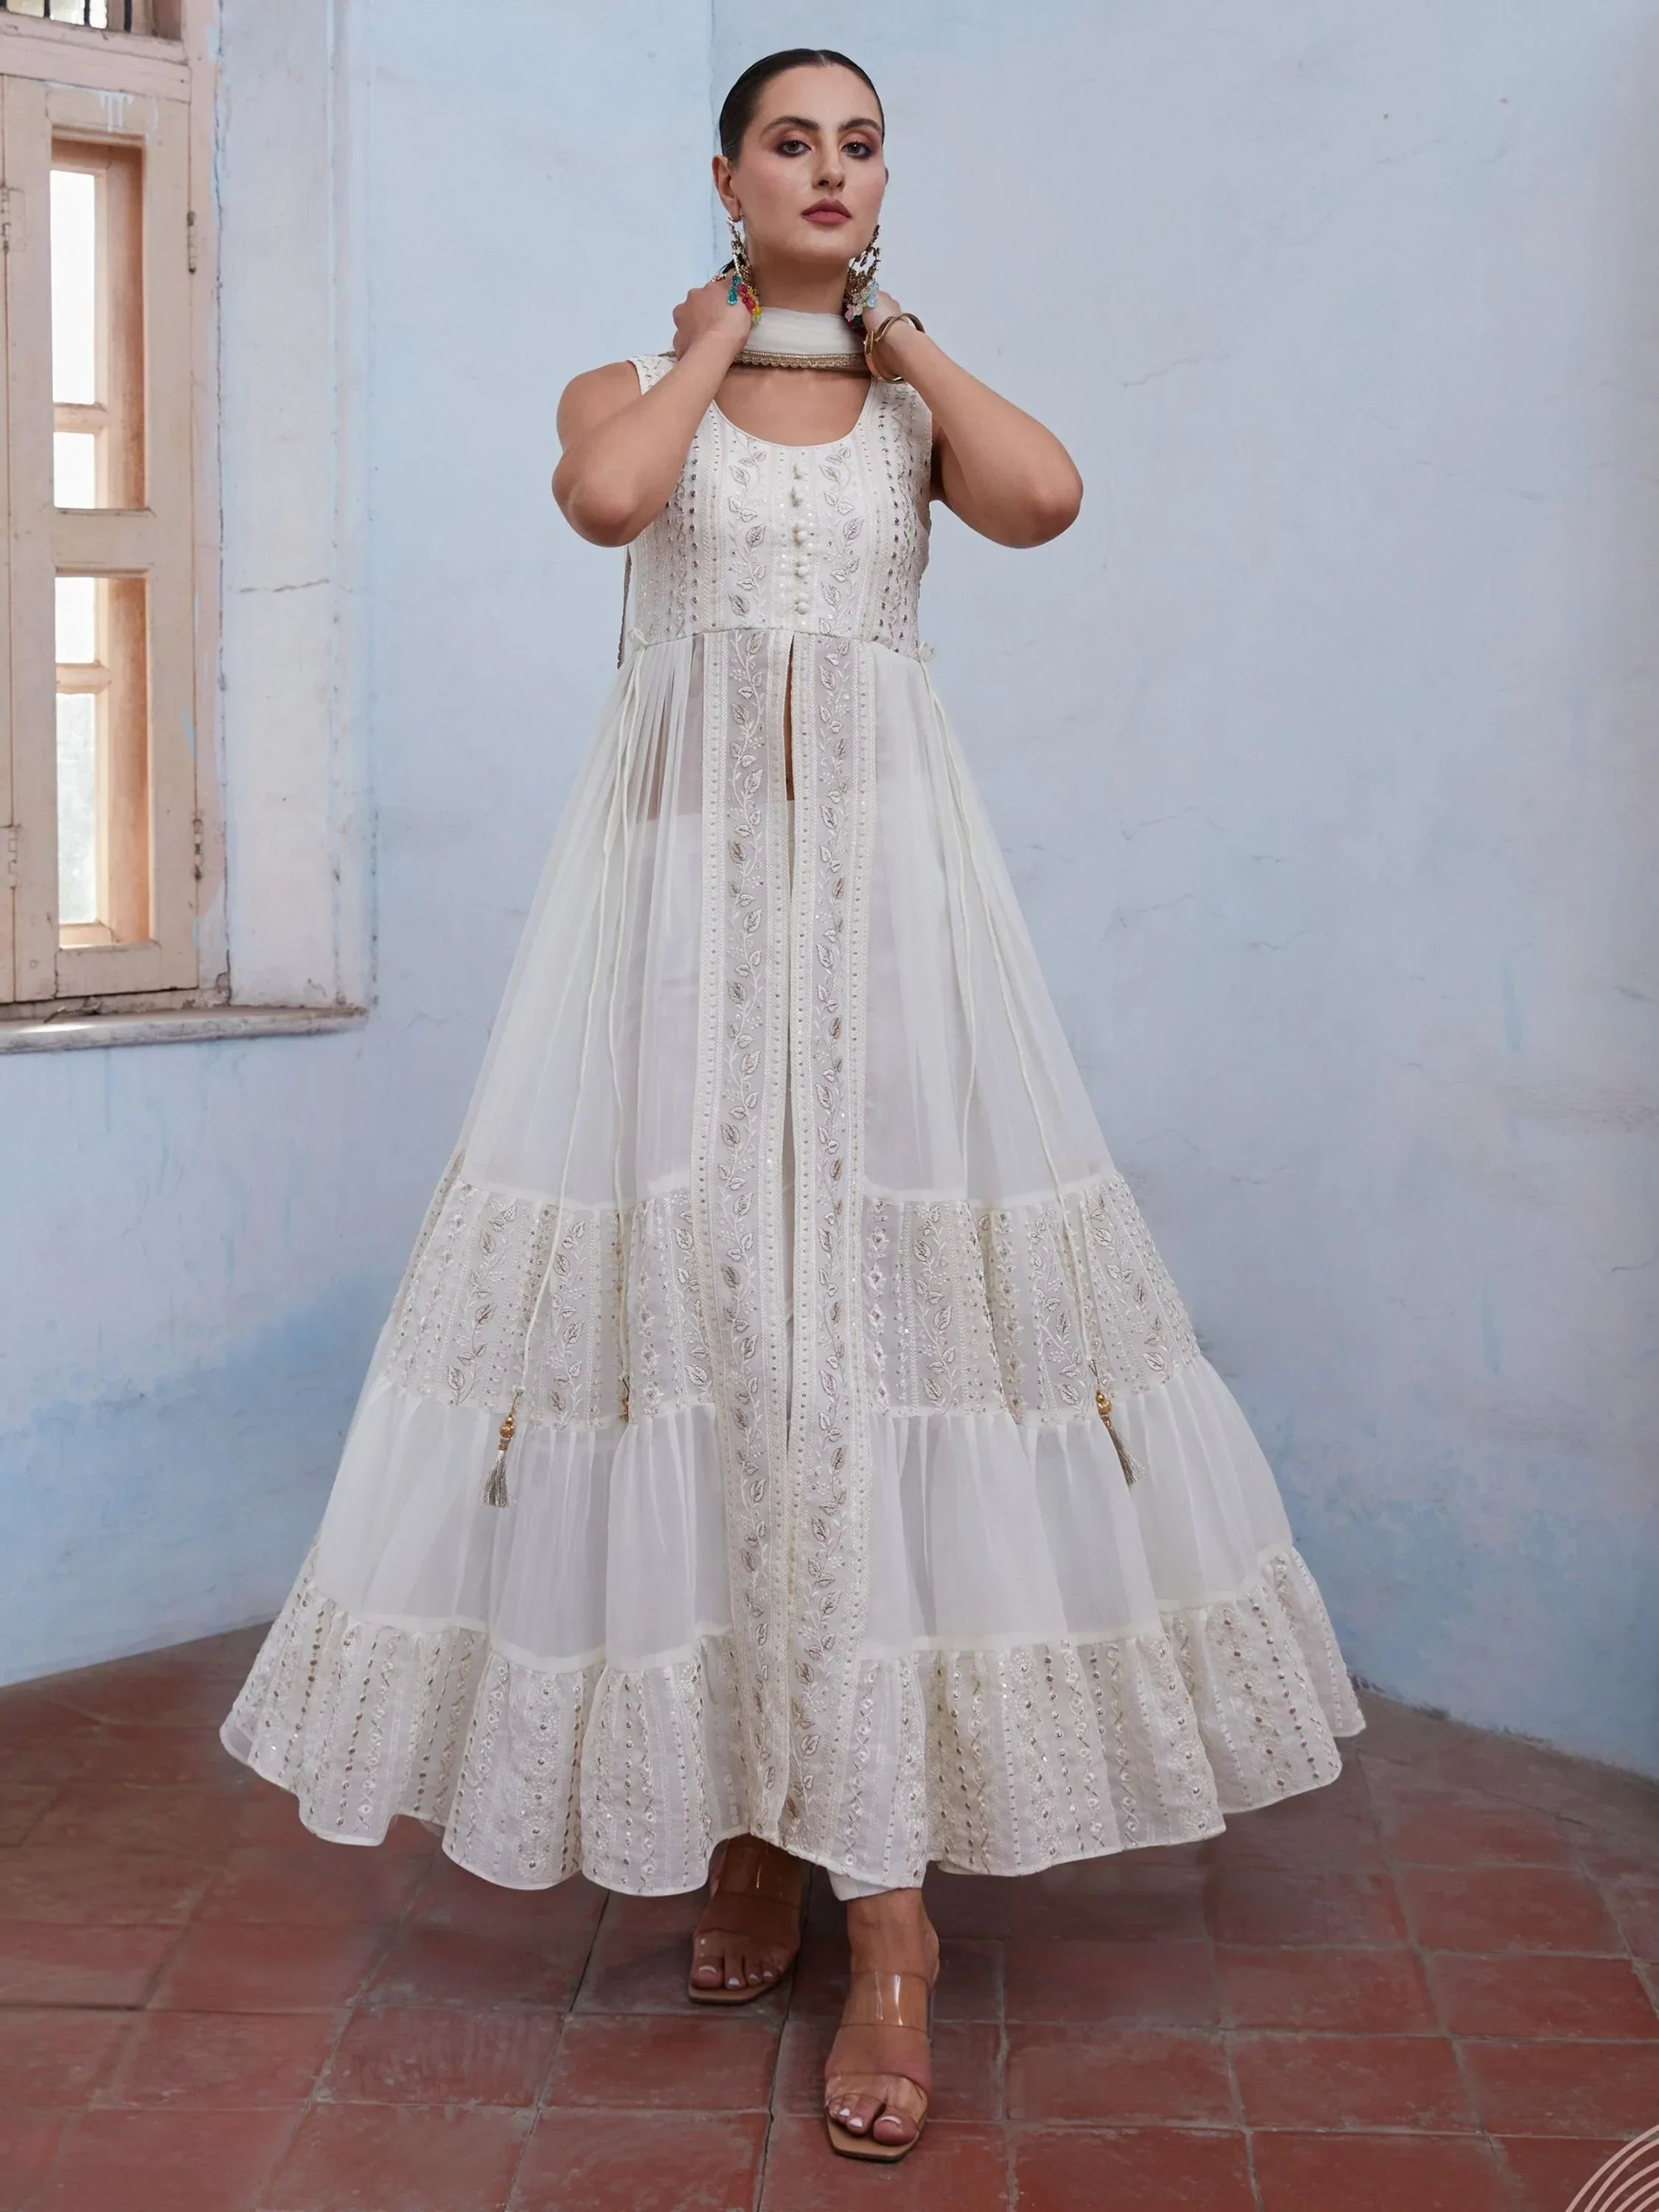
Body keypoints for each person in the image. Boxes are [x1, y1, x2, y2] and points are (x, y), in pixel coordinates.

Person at [219, 46, 1366, 2164]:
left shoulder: (915, 414)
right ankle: (753, 1824)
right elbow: (603, 502)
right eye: (790, 144)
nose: (829, 173)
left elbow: (1047, 499)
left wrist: (894, 322)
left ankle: (892, 1917)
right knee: (709, 1353)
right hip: (667, 954)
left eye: (859, 150)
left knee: (859, 1362)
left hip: (889, 951)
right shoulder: (620, 385)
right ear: (724, 172)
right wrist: (715, 333)